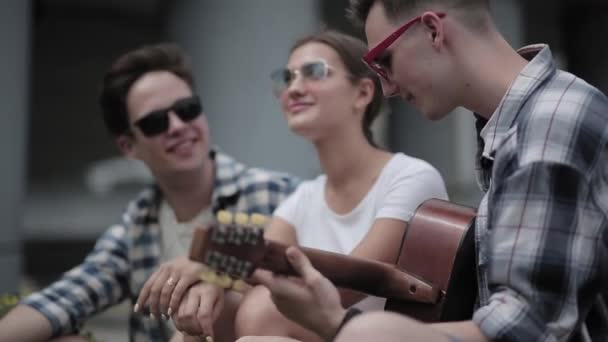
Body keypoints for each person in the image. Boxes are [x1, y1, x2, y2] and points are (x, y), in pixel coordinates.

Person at [251, 1, 608, 341]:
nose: (386, 88)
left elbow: (524, 331)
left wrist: (342, 326)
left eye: (383, 61)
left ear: (433, 31)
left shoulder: (549, 123)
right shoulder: (521, 124)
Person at [136, 30, 447, 342]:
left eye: (314, 73)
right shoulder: (303, 198)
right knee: (207, 312)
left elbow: (349, 285)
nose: (294, 89)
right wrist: (210, 278)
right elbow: (258, 264)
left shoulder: (409, 178)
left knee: (261, 310)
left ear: (363, 93)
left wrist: (209, 263)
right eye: (287, 78)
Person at [0, 43, 299, 342]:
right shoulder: (138, 224)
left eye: (187, 110)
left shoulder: (275, 192)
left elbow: (323, 288)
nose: (178, 126)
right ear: (129, 147)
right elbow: (63, 299)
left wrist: (218, 268)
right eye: (155, 122)